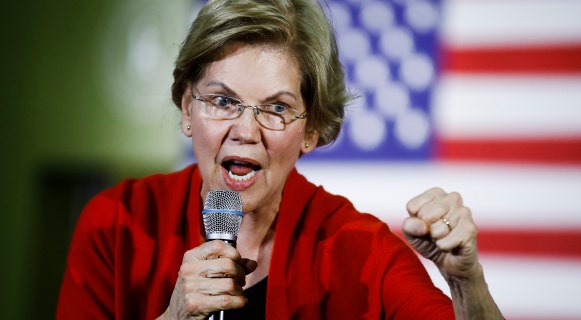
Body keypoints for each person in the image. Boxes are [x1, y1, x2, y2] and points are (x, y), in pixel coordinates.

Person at [57, 0, 504, 319]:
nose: (246, 131)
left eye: (276, 108)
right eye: (222, 101)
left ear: (311, 130)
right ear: (186, 110)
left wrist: (467, 282)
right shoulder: (116, 224)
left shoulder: (363, 251)